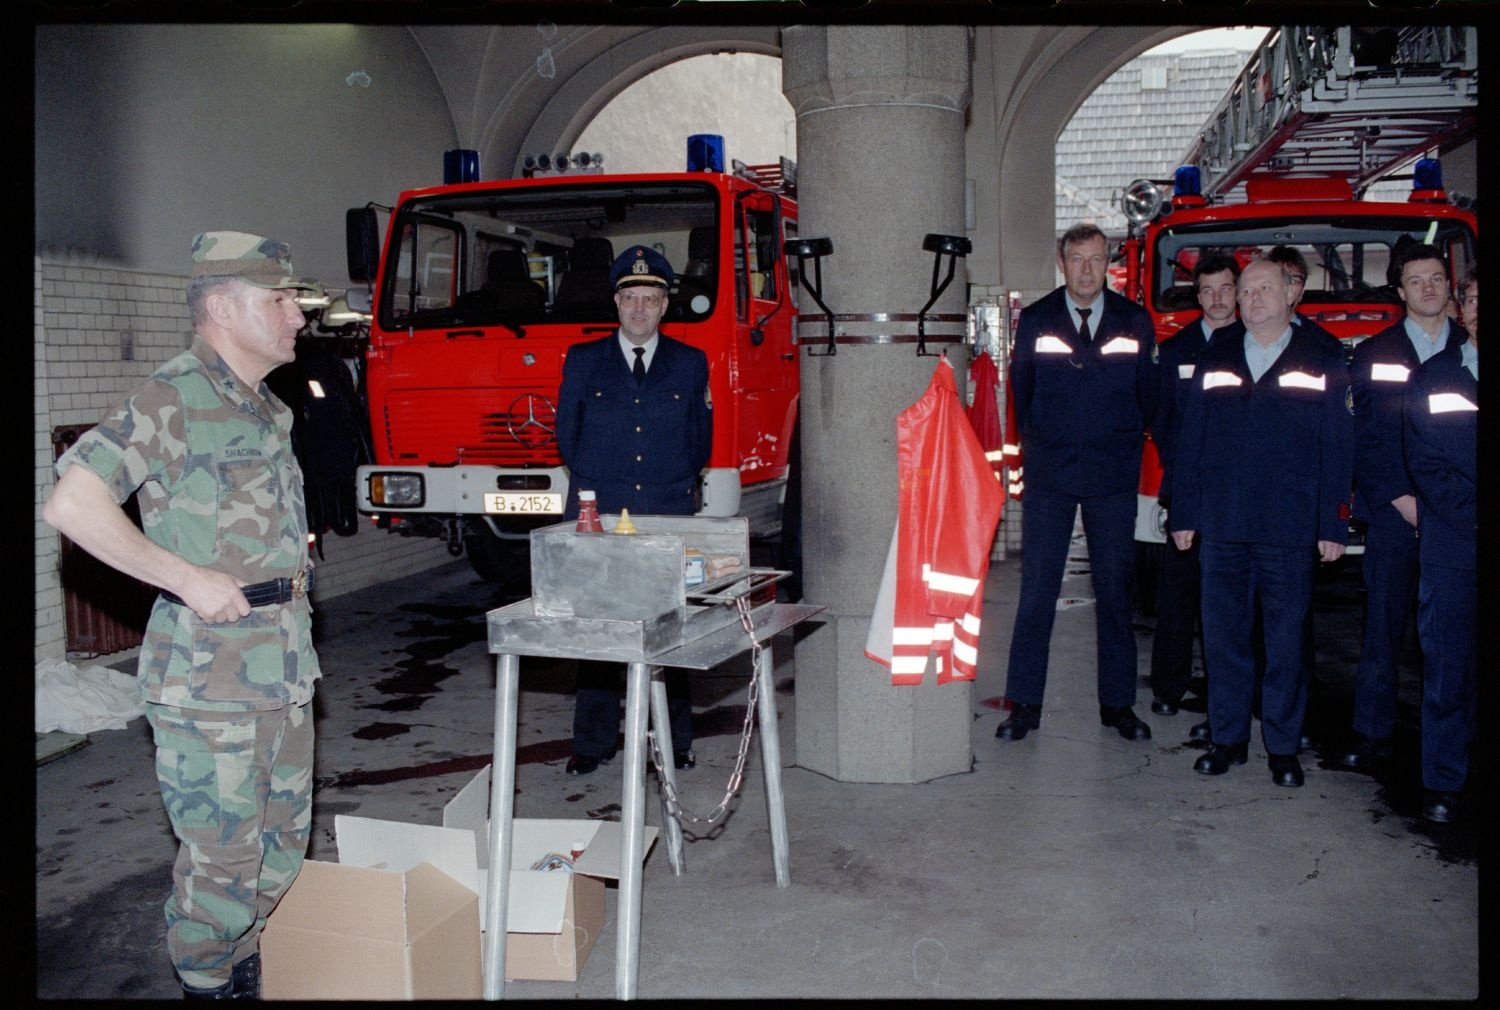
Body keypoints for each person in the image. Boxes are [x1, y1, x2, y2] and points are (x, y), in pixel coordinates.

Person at [43, 232, 322, 999]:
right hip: (210, 679)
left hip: (282, 664)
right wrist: (185, 578)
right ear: (225, 309)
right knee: (222, 865)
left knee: (280, 848)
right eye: (281, 299)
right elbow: (72, 501)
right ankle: (209, 981)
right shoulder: (175, 395)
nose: (298, 315)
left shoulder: (264, 405)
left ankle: (245, 967)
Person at [1170, 258, 1352, 788]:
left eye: (1263, 289)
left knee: (1285, 640)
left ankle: (1283, 746)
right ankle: (1227, 739)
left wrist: (1334, 523)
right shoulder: (1216, 355)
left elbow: (1338, 448)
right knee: (1224, 638)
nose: (1251, 300)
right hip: (1223, 524)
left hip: (1289, 528)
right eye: (1245, 291)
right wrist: (1185, 512)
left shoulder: (1321, 356)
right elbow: (1191, 442)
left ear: (1291, 294)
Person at [996, 222, 1158, 742]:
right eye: (1077, 259)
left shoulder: (1134, 321)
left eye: (1096, 259)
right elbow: (1022, 390)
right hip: (1052, 476)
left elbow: (1146, 396)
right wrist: (1042, 445)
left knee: (1114, 592)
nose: (1087, 270)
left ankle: (1118, 706)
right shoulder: (1038, 320)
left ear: (1107, 262)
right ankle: (1023, 705)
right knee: (1037, 591)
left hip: (1112, 475)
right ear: (1061, 262)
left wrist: (1122, 442)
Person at [555, 244, 712, 775]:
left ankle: (675, 741)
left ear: (666, 305)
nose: (640, 309)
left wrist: (668, 488)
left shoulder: (690, 364)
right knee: (598, 629)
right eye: (630, 298)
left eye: (651, 298)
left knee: (670, 629)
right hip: (601, 513)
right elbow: (567, 440)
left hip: (665, 509)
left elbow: (699, 442)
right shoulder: (583, 360)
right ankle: (593, 743)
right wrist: (599, 491)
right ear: (616, 304)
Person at [1337, 243, 1469, 772]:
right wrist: (1400, 499)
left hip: (1460, 518)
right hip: (1396, 514)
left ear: (1450, 286)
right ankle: (1372, 733)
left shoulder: (1470, 348)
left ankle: (1458, 740)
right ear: (1400, 291)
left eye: (1436, 278)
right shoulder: (1375, 353)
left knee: (1455, 636)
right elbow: (1365, 438)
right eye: (1416, 280)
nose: (1428, 288)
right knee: (1384, 626)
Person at [1148, 253, 1240, 734]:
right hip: (1186, 489)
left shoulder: (1253, 345)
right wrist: (1184, 469)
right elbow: (1162, 418)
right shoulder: (1177, 349)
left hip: (1236, 495)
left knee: (1231, 601)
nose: (1217, 299)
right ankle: (1168, 687)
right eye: (1207, 291)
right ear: (1197, 295)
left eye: (1226, 289)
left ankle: (1232, 693)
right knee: (1179, 594)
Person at [1402, 270, 1477, 823]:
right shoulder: (1433, 378)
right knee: (1449, 671)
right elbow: (1426, 464)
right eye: (1472, 298)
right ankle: (1444, 782)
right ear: (1460, 307)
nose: (1479, 307)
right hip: (1455, 547)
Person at [1265, 244, 1342, 353]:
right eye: (1280, 279)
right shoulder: (1237, 338)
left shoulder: (1325, 344)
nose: (1287, 287)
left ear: (1302, 291)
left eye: (1295, 281)